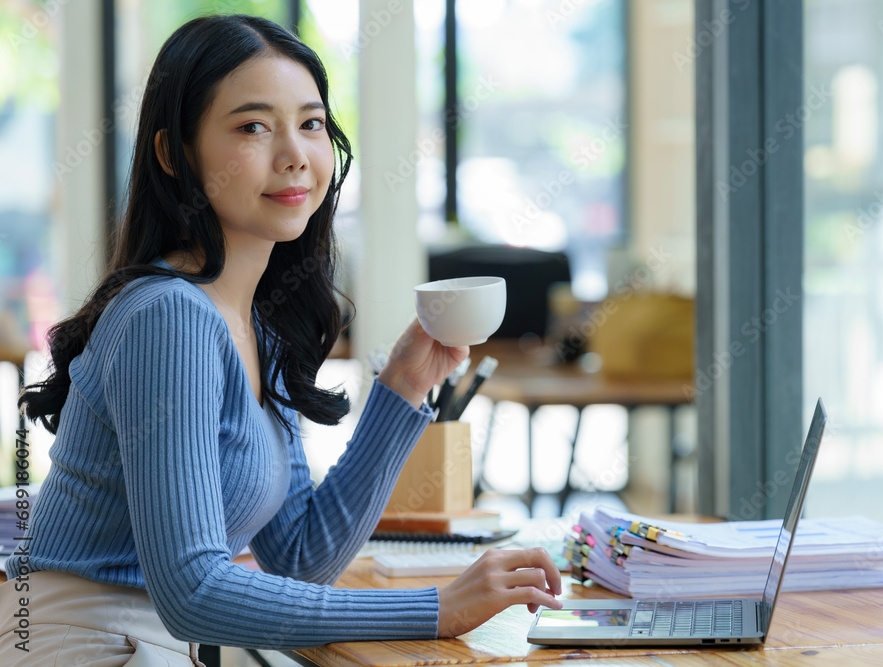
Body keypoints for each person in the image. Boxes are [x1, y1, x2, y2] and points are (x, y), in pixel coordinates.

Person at [0, 13, 561, 664]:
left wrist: (403, 389)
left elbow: (296, 553)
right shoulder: (169, 317)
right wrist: (439, 606)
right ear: (174, 155)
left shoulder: (256, 324)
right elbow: (191, 589)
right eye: (253, 126)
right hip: (86, 644)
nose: (295, 152)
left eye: (312, 122)